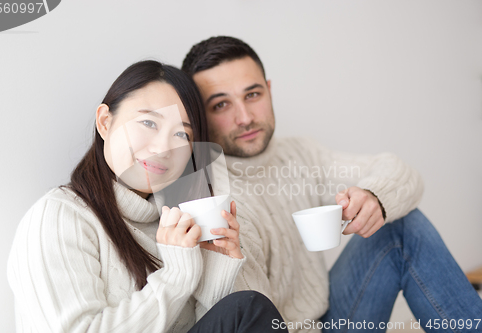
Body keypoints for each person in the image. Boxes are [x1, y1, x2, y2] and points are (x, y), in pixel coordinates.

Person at [181, 36, 482, 332]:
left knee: (401, 225)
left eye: (252, 95)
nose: (244, 118)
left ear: (269, 91)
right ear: (199, 117)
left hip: (330, 319)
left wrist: (374, 198)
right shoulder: (206, 196)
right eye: (221, 105)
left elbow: (401, 172)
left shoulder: (299, 153)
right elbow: (247, 316)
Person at [7, 60, 288, 333]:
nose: (163, 148)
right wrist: (176, 278)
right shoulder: (59, 217)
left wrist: (216, 273)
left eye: (181, 134)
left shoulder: (184, 225)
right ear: (105, 122)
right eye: (149, 123)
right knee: (247, 307)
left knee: (247, 306)